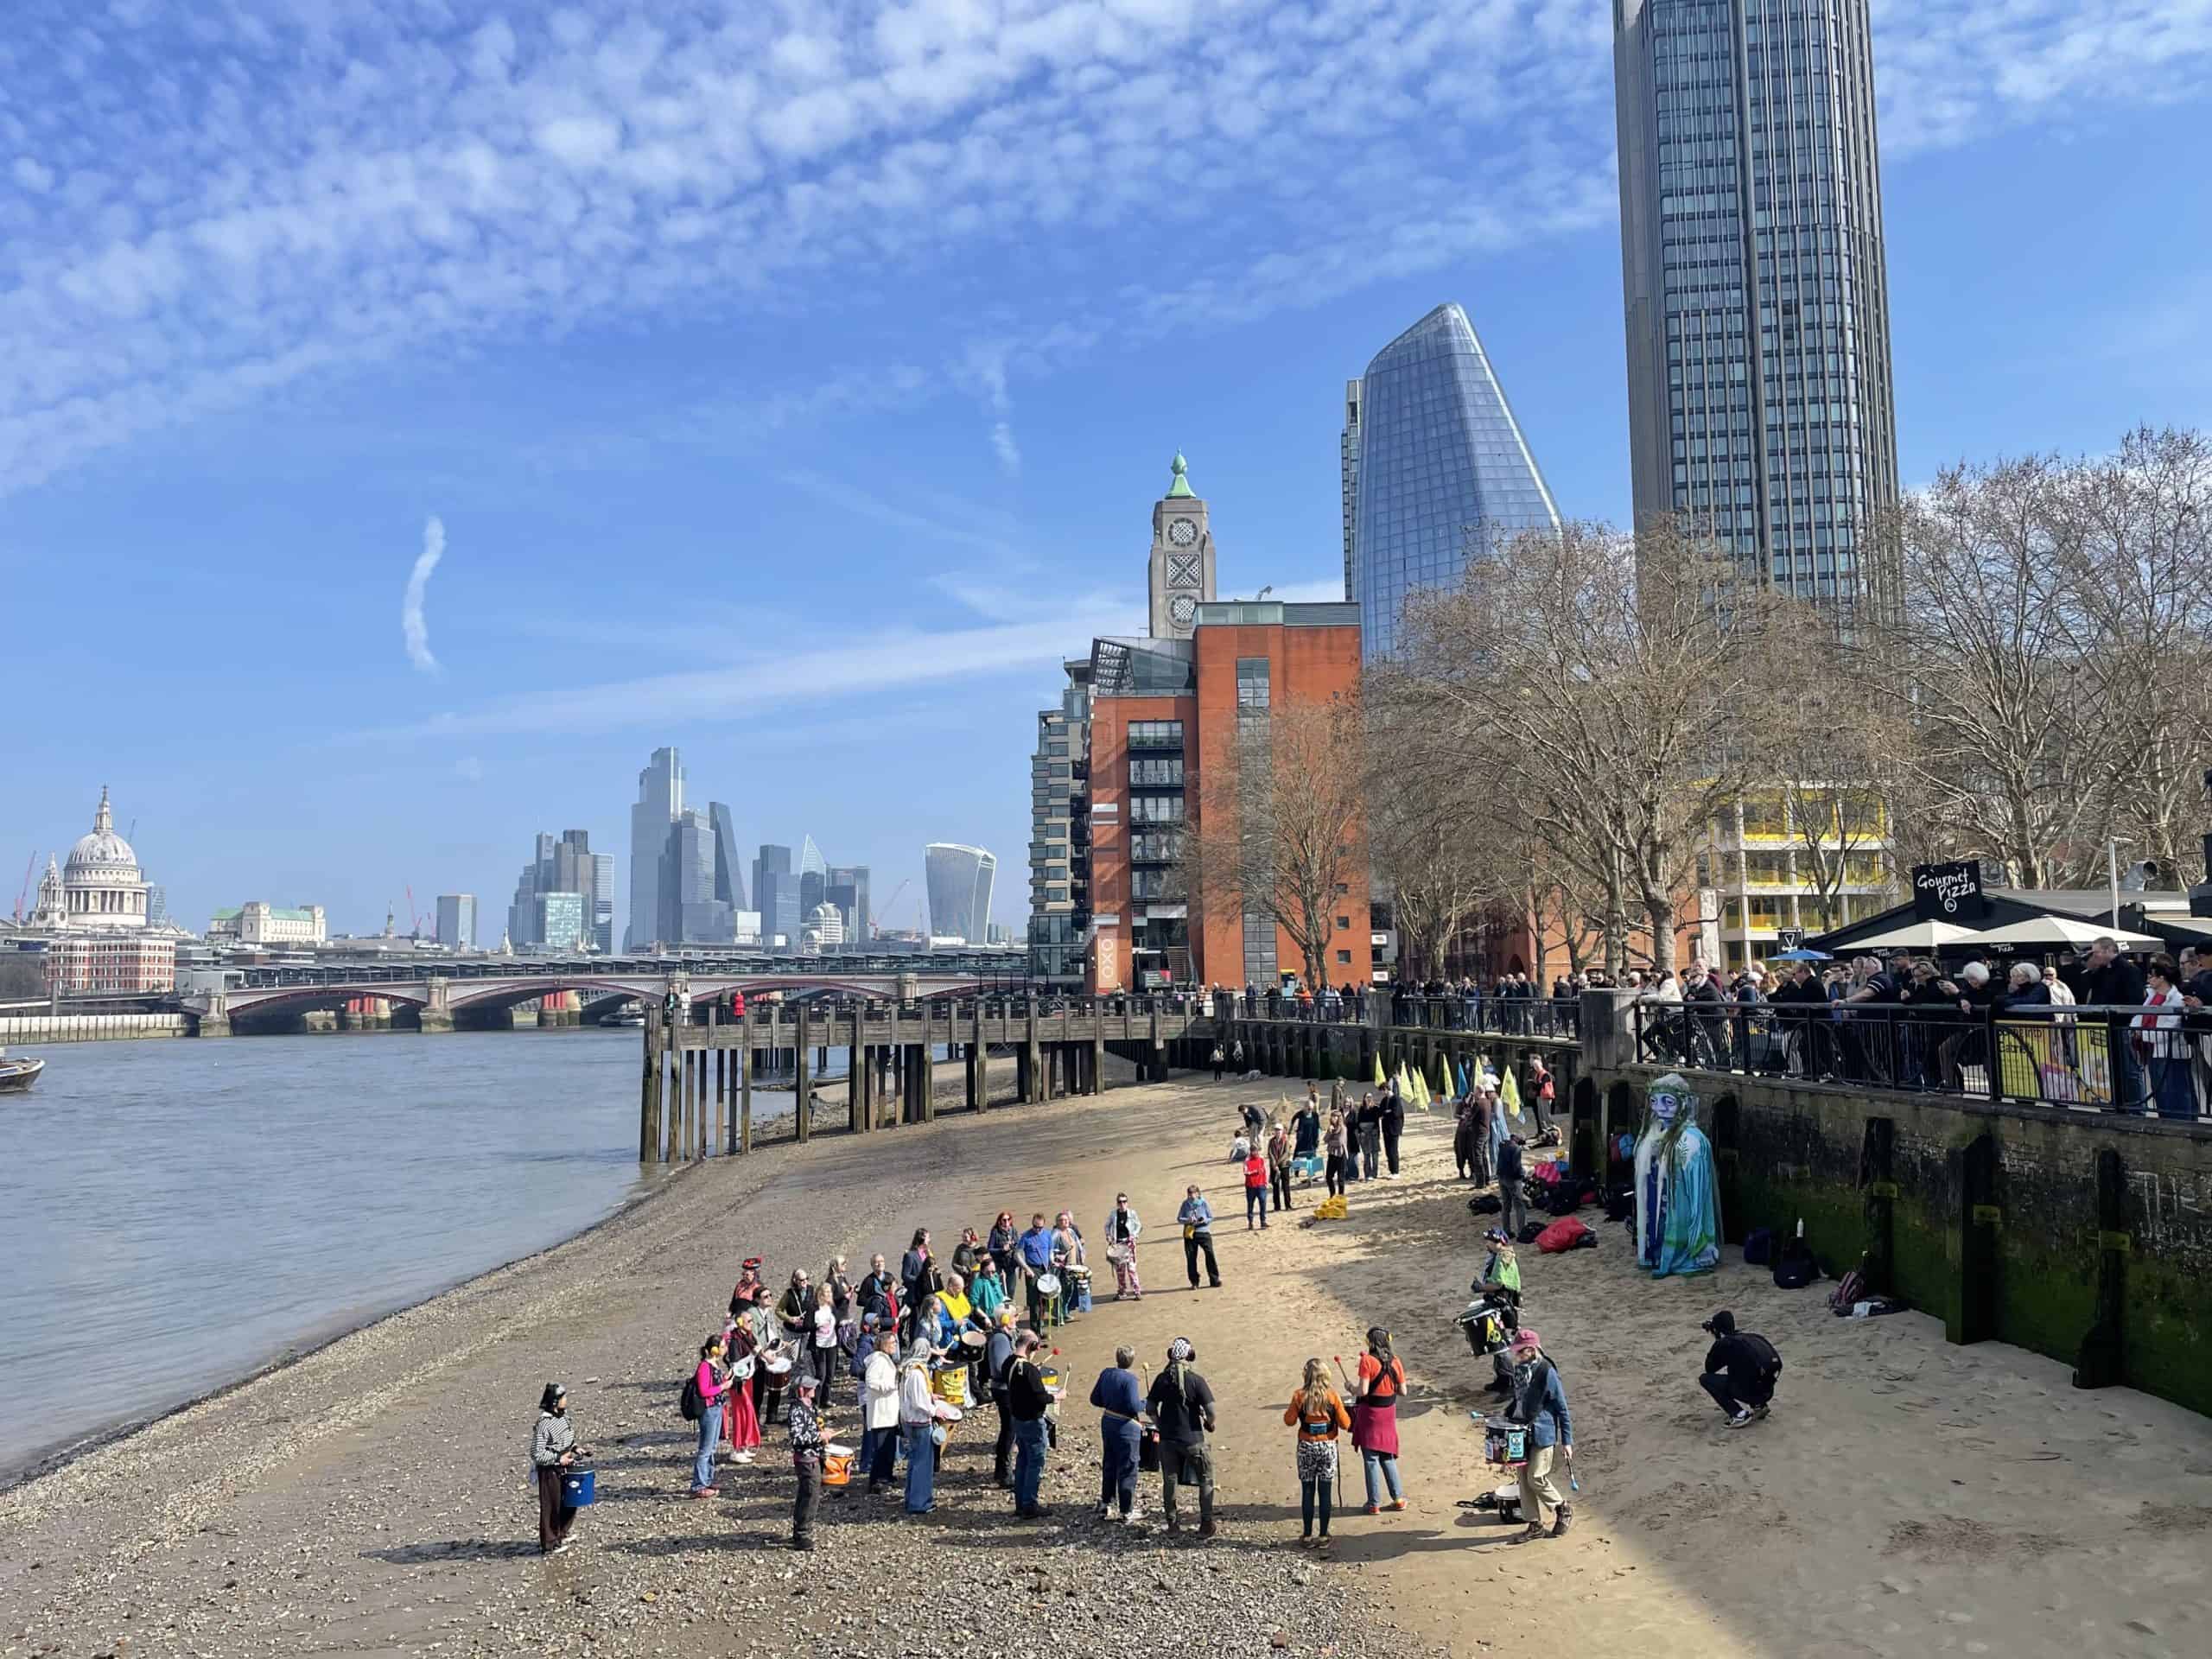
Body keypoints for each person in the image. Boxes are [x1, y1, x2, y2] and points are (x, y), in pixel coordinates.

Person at [1504, 1330, 1573, 1543]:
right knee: (1523, 1479)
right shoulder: (1519, 1371)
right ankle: (1534, 1525)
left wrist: (1567, 1441)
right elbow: (1518, 1400)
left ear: (1532, 1350)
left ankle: (1562, 1508)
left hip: (1543, 1433)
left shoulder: (1547, 1372)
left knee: (1536, 1477)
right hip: (1521, 1431)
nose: (1516, 1356)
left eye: (1520, 1352)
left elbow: (1562, 1408)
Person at [1147, 1338, 1217, 1538]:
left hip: (1168, 1440)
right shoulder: (1196, 1381)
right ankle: (1205, 1524)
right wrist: (1208, 1422)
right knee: (1205, 1479)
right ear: (1189, 1356)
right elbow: (1211, 1411)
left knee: (1170, 1481)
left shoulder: (1162, 1379)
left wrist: (1160, 1424)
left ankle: (1173, 1525)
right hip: (1193, 1439)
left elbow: (1150, 1408)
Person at [1283, 1356, 1351, 1547]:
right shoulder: (1332, 1396)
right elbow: (1346, 1424)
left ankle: (1306, 1535)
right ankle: (1323, 1535)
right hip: (1328, 1445)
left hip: (1306, 1445)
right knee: (1325, 1490)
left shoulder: (1299, 1396)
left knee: (1307, 1489)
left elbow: (1289, 1421)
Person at [1352, 1327, 1408, 1513]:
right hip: (1388, 1413)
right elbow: (1403, 1391)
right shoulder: (1396, 1361)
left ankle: (1373, 1503)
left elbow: (1363, 1391)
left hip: (1370, 1414)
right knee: (1388, 1455)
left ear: (1370, 1343)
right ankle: (1398, 1498)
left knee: (1371, 1459)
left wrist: (1351, 1388)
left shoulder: (1367, 1361)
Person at [1090, 1344, 1147, 1522]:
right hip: (1125, 1426)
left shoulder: (1106, 1373)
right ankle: (1126, 1510)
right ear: (1131, 1361)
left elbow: (1094, 1398)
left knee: (1110, 1463)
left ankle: (1106, 1503)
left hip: (1108, 1421)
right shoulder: (1130, 1380)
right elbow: (1133, 1406)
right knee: (1128, 1467)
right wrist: (1146, 1402)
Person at [1698, 1309, 1782, 1428]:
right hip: (1768, 1391)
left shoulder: (1725, 1343)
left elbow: (1709, 1369)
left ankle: (1738, 1414)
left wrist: (1717, 1342)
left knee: (1706, 1379)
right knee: (1746, 1375)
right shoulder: (1751, 1337)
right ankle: (1759, 1406)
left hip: (1747, 1391)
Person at [530, 1382, 587, 1554]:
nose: (566, 1400)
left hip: (567, 1463)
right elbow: (536, 1452)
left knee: (571, 1500)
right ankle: (549, 1543)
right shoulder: (544, 1423)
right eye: (562, 1398)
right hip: (550, 1469)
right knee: (552, 1505)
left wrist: (575, 1448)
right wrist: (557, 1458)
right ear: (554, 1401)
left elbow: (566, 1439)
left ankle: (562, 1533)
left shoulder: (563, 1417)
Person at [2139, 956, 2195, 1121]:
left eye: (2151, 976)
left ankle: (2182, 1122)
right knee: (2161, 1089)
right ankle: (2167, 1119)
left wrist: (2143, 1034)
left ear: (2161, 978)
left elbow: (2171, 1027)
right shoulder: (2151, 995)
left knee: (2174, 1089)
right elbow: (2141, 1015)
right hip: (2154, 1049)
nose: (2148, 979)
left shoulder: (2176, 998)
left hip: (2170, 1051)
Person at [1007, 1331, 1057, 1518]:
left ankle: (1021, 1503)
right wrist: (1057, 1397)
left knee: (1022, 1461)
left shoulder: (1009, 1363)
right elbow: (1040, 1398)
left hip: (1018, 1419)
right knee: (1035, 1462)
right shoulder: (1029, 1370)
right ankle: (1030, 1505)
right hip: (1033, 1421)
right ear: (1031, 1346)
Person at [786, 1372, 827, 1551]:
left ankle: (801, 1531)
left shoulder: (811, 1407)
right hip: (806, 1459)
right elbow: (797, 1438)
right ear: (801, 1390)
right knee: (809, 1495)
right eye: (810, 1387)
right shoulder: (796, 1410)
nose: (814, 1389)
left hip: (814, 1457)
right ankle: (802, 1533)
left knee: (809, 1494)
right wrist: (819, 1436)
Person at [687, 1335, 731, 1497]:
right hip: (709, 1410)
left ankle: (707, 1479)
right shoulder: (704, 1367)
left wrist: (725, 1380)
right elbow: (705, 1391)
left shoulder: (714, 1364)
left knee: (712, 1447)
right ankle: (698, 1485)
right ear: (714, 1350)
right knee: (705, 1449)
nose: (725, 1348)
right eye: (723, 1346)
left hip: (717, 1407)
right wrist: (723, 1386)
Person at [898, 1339, 938, 1514]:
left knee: (914, 1461)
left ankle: (911, 1498)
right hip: (920, 1421)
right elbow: (919, 1401)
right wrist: (935, 1410)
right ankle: (920, 1502)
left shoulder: (906, 1368)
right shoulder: (917, 1372)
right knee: (923, 1463)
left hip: (908, 1420)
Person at [859, 1329, 900, 1493]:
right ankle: (877, 1480)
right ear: (883, 1345)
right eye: (893, 1343)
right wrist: (891, 1386)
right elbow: (871, 1382)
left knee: (889, 1447)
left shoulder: (886, 1359)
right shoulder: (878, 1361)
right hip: (881, 1411)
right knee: (881, 1448)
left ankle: (887, 1475)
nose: (895, 1346)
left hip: (889, 1411)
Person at [983, 1308, 1020, 1489]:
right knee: (1009, 1431)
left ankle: (1002, 1471)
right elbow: (1000, 1367)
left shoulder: (1002, 1337)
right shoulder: (999, 1339)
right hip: (1004, 1390)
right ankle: (1004, 1473)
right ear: (1005, 1319)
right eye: (1014, 1316)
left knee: (1008, 1430)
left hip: (1005, 1388)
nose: (1016, 1319)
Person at [1017, 1211, 1058, 1325]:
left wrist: (1052, 1260)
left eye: (1040, 1227)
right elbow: (1018, 1254)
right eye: (1035, 1227)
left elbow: (1050, 1250)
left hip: (1045, 1269)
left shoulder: (1048, 1235)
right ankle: (1035, 1329)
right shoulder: (1025, 1237)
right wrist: (1026, 1269)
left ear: (1043, 1225)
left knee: (1045, 1298)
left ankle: (1041, 1323)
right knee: (1034, 1301)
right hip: (1032, 1269)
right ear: (1032, 1224)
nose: (1037, 1230)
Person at [1179, 1185, 1222, 1287]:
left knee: (1210, 1254)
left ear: (1198, 1193)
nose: (1192, 1196)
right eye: (1190, 1194)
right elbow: (1180, 1218)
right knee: (1191, 1258)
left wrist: (1204, 1220)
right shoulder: (1185, 1204)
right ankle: (1194, 1282)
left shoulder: (1203, 1203)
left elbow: (1210, 1217)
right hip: (1190, 1233)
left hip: (1203, 1232)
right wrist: (1188, 1220)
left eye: (1194, 1193)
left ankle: (1214, 1279)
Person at [1103, 1192, 1144, 1300]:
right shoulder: (1113, 1214)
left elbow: (1139, 1226)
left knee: (1132, 1269)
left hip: (1129, 1244)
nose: (1122, 1204)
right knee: (1120, 1270)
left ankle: (1137, 1291)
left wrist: (1134, 1236)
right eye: (1120, 1202)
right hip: (1118, 1245)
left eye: (1124, 1201)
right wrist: (1108, 1236)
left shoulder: (1132, 1213)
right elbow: (1107, 1225)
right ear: (1117, 1203)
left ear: (1127, 1202)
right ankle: (1122, 1291)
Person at [1497, 1133, 1527, 1238]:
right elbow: (1516, 1168)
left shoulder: (1503, 1144)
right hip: (1512, 1179)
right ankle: (1522, 1231)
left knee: (1506, 1205)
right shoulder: (1516, 1149)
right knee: (1519, 1205)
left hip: (1501, 1177)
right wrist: (1523, 1174)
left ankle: (1506, 1231)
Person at [1267, 1116, 1295, 1213]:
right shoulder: (1271, 1141)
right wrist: (1274, 1165)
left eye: (1279, 1130)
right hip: (1274, 1167)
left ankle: (1288, 1205)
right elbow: (1270, 1153)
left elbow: (1286, 1153)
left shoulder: (1285, 1141)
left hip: (1284, 1166)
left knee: (1286, 1186)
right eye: (1276, 1130)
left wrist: (1277, 1163)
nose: (1277, 1132)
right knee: (1275, 1187)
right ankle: (1277, 1206)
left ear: (1282, 1131)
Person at [1378, 1079, 1405, 1178]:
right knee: (1388, 1150)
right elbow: (1381, 1112)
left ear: (1386, 1089)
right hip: (1386, 1129)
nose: (1382, 1093)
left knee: (1394, 1150)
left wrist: (1386, 1113)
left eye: (1382, 1091)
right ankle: (1391, 1171)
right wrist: (1386, 1112)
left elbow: (1396, 1113)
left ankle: (1396, 1172)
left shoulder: (1396, 1099)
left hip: (1394, 1129)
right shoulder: (1384, 1100)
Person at [1354, 1091, 1382, 1181]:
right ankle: (1368, 1174)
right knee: (1366, 1155)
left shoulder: (1376, 1108)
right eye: (1367, 1097)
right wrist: (1360, 1132)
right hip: (1364, 1134)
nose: (1369, 1098)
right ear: (1364, 1098)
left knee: (1375, 1155)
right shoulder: (1362, 1109)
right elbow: (1358, 1122)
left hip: (1374, 1134)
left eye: (1370, 1097)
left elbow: (1381, 1117)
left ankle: (1374, 1174)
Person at [1323, 1108, 1351, 1198]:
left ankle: (1341, 1196)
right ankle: (1332, 1194)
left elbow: (1340, 1142)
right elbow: (1325, 1139)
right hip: (1332, 1154)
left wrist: (1330, 1142)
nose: (1333, 1118)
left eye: (1335, 1117)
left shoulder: (1343, 1128)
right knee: (1328, 1176)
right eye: (1332, 1117)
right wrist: (1329, 1132)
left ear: (1339, 1118)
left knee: (1340, 1178)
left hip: (1341, 1155)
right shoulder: (1331, 1128)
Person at [1243, 1140, 1271, 1230]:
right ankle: (1250, 1222)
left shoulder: (1261, 1159)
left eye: (1256, 1150)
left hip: (1261, 1185)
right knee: (1250, 1204)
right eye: (1253, 1151)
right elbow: (1246, 1172)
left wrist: (1265, 1182)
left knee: (1263, 1202)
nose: (1255, 1152)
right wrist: (1255, 1172)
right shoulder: (1247, 1161)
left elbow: (1263, 1171)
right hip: (1250, 1186)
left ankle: (1263, 1221)